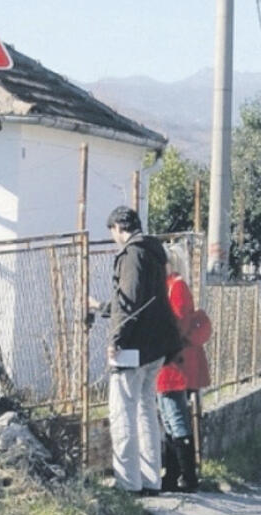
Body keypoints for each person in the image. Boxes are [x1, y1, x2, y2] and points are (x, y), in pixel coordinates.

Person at [96, 207, 181, 495]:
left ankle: (128, 484)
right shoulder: (154, 252)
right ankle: (150, 480)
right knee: (146, 411)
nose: (115, 240)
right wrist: (103, 309)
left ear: (120, 227)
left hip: (134, 345)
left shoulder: (131, 255)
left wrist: (115, 340)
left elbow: (130, 302)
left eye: (114, 234)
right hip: (157, 344)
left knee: (123, 412)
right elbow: (140, 299)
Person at [156, 246, 211, 493]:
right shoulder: (172, 285)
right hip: (174, 360)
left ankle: (186, 476)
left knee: (175, 418)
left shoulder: (175, 286)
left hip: (175, 362)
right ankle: (176, 474)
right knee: (170, 418)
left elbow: (178, 322)